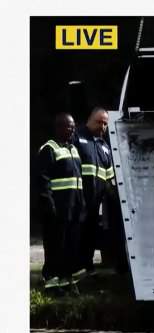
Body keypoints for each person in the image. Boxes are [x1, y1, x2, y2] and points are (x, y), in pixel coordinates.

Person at [36, 113, 86, 288]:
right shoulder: (49, 149)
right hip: (57, 208)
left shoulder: (73, 149)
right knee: (54, 245)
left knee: (70, 245)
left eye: (73, 126)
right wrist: (49, 206)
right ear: (58, 128)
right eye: (68, 126)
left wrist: (82, 205)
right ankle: (50, 279)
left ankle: (66, 279)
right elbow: (42, 180)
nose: (72, 129)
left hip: (74, 208)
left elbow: (78, 180)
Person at [73, 107, 113, 275]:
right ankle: (73, 267)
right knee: (76, 233)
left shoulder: (105, 147)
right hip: (78, 197)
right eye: (99, 122)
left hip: (97, 200)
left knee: (90, 234)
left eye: (105, 124)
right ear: (89, 120)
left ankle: (87, 267)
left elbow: (109, 174)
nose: (102, 126)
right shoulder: (77, 137)